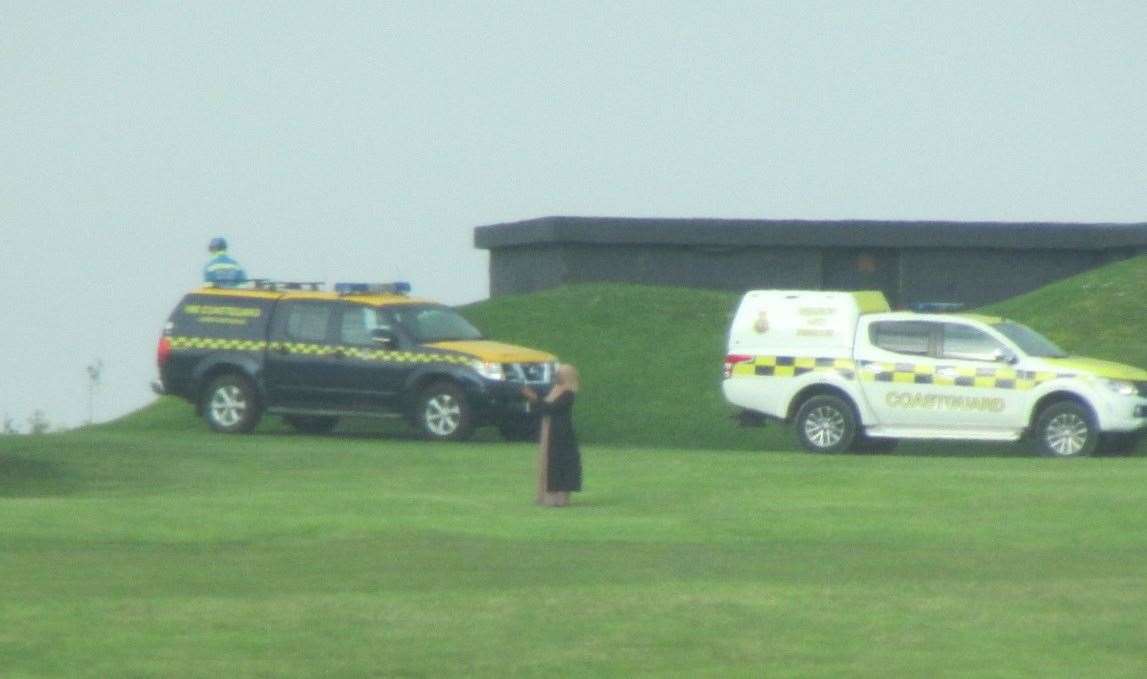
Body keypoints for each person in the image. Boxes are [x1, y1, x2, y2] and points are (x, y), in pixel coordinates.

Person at [522, 364, 583, 507]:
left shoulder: (568, 393)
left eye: (559, 374)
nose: (556, 376)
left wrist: (534, 399)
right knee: (548, 461)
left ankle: (559, 498)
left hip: (561, 433)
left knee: (558, 461)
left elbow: (553, 408)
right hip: (549, 430)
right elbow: (544, 408)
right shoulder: (555, 390)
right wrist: (534, 400)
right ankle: (547, 496)